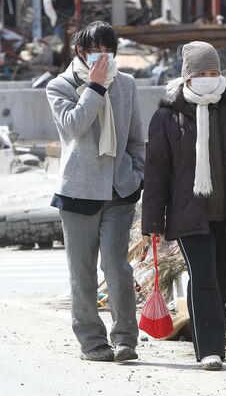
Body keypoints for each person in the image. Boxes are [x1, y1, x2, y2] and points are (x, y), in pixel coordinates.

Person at [142, 41, 226, 371]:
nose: (210, 79)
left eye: (215, 72)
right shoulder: (168, 116)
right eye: (202, 73)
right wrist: (152, 223)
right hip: (189, 214)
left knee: (224, 278)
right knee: (204, 278)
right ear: (187, 77)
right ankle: (210, 350)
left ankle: (214, 339)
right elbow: (156, 172)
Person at [47, 21, 145, 362]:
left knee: (118, 268)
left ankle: (126, 339)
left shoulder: (128, 84)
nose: (103, 57)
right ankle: (91, 342)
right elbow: (75, 125)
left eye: (109, 51)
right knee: (82, 271)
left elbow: (136, 137)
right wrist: (95, 87)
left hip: (119, 190)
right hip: (78, 192)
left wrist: (137, 174)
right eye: (96, 51)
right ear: (80, 51)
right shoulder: (59, 86)